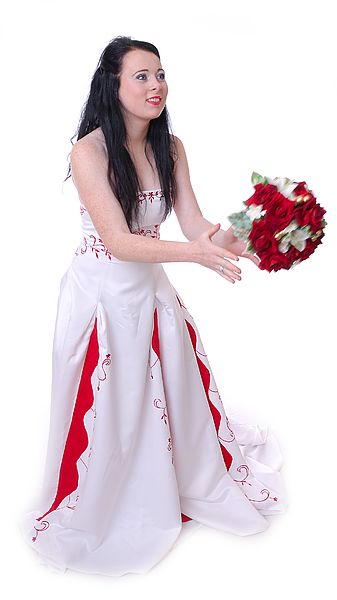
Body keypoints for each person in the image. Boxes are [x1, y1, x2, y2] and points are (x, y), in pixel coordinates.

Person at [18, 35, 288, 576]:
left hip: (151, 289)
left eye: (160, 74)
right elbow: (119, 241)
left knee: (172, 390)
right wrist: (196, 255)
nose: (155, 85)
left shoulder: (172, 147)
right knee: (111, 405)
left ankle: (178, 476)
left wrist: (263, 226)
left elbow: (196, 226)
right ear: (112, 85)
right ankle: (110, 497)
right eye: (141, 76)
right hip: (102, 292)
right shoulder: (88, 151)